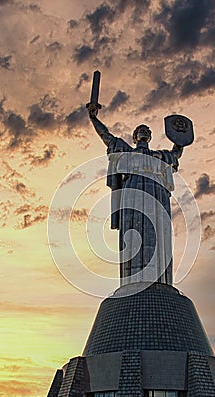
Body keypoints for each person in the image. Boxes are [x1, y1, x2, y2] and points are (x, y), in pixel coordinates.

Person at [87, 104, 183, 286]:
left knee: (159, 233)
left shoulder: (159, 156)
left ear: (150, 136)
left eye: (147, 130)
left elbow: (175, 154)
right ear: (135, 136)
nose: (144, 131)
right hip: (134, 191)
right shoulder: (127, 152)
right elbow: (108, 138)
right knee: (134, 231)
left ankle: (160, 284)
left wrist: (180, 139)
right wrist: (94, 119)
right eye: (140, 130)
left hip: (157, 193)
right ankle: (133, 283)